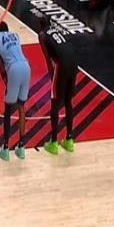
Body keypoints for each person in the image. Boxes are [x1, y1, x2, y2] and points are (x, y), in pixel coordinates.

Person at [38, 15, 78, 155]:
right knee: (68, 101)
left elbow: (48, 60)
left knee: (55, 102)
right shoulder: (58, 31)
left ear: (40, 26)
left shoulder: (42, 35)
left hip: (62, 65)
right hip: (74, 62)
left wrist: (52, 77)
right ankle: (69, 139)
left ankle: (54, 142)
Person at [0, 21, 31, 161]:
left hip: (14, 69)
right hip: (26, 67)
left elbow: (1, 67)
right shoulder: (16, 35)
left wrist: (6, 81)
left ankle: (5, 149)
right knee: (21, 107)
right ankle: (21, 147)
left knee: (8, 111)